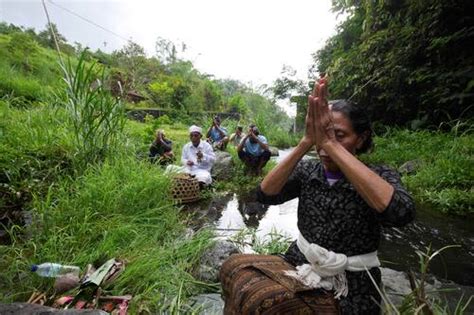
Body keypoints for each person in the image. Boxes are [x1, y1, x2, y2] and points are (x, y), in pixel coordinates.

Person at [220, 77, 416, 314]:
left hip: (349, 283)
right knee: (232, 267)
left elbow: (401, 213)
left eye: (339, 135)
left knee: (264, 303)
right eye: (321, 135)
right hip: (300, 261)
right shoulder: (308, 170)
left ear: (361, 138)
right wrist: (306, 141)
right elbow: (265, 194)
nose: (324, 146)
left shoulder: (379, 174)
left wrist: (330, 143)